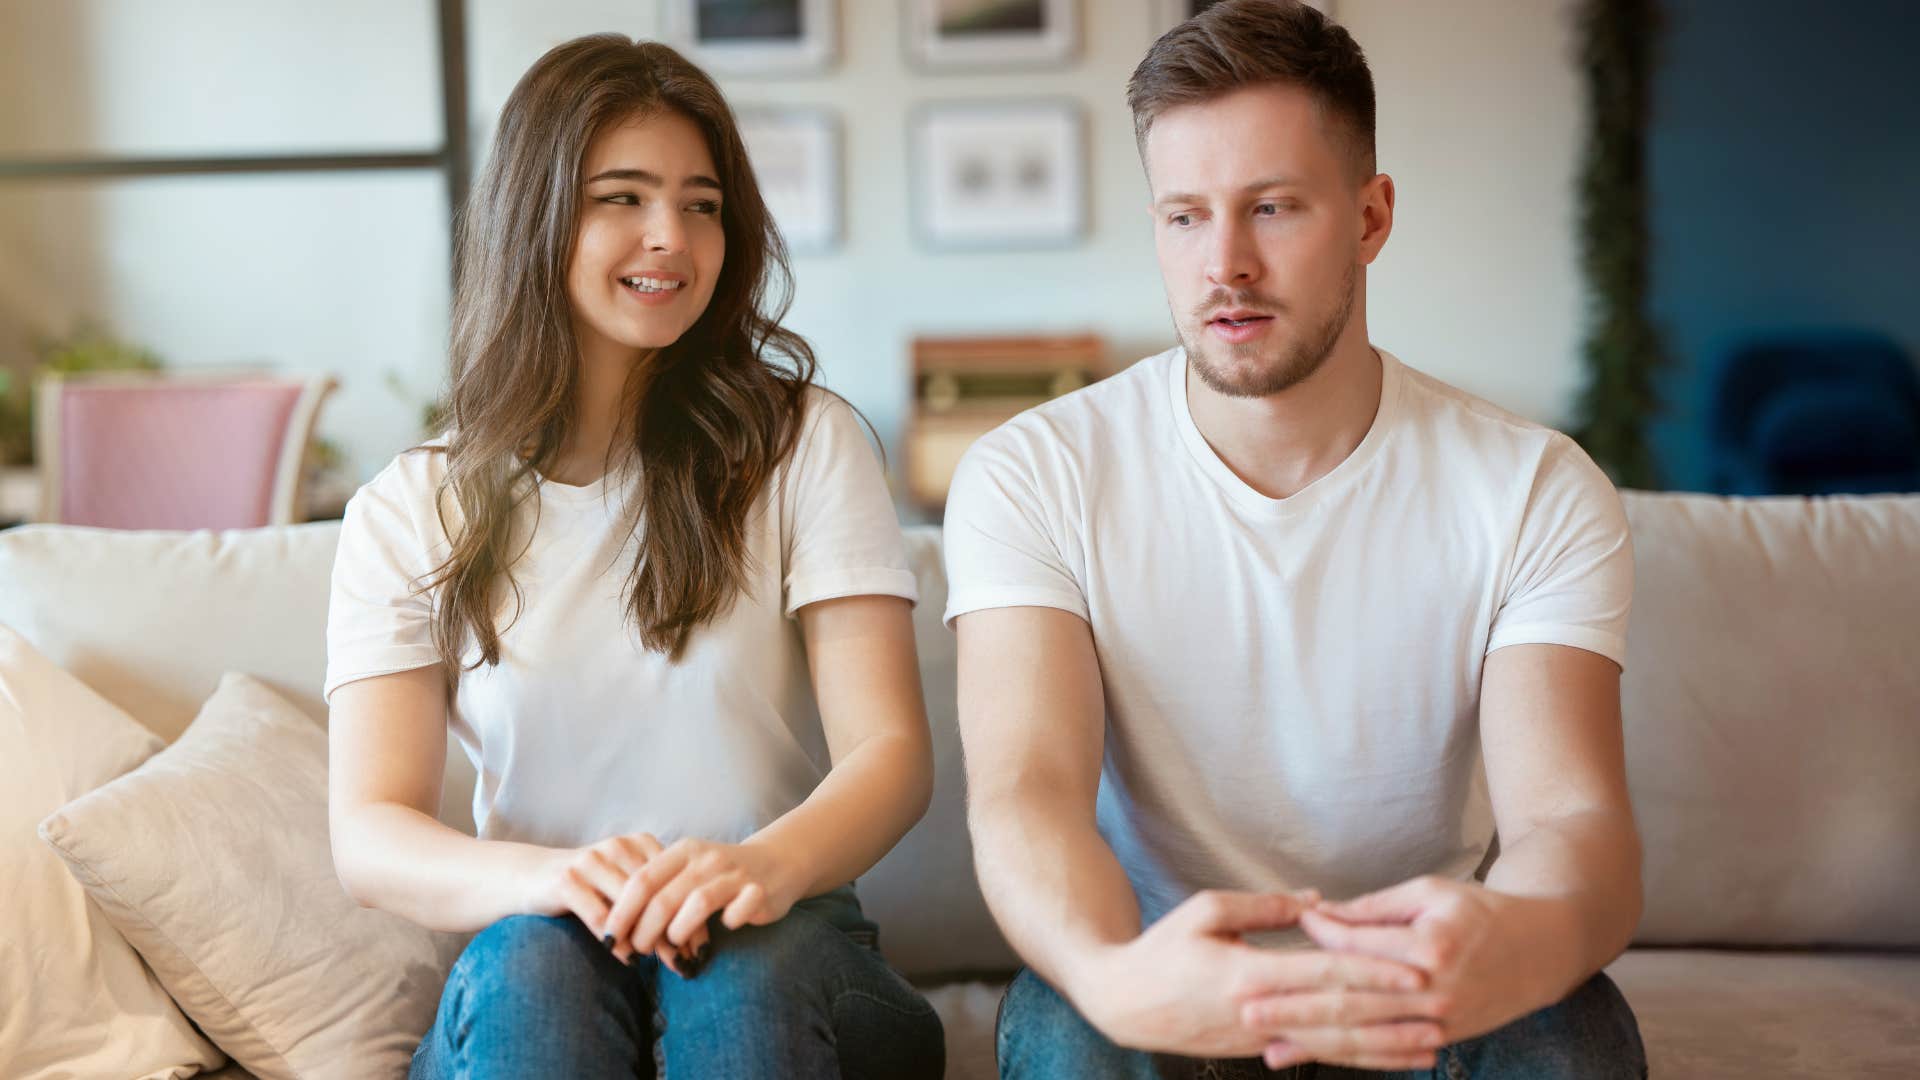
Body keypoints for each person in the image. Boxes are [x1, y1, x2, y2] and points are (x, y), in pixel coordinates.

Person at [943, 2, 1648, 1077]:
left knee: (1570, 1027)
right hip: (1170, 959)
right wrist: (1109, 973)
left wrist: (1520, 939)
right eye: (1185, 217)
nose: (1223, 263)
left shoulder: (1532, 488)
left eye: (1271, 208)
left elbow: (1571, 817)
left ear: (1370, 217)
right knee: (1069, 1024)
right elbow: (1026, 795)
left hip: (1416, 972)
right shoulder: (1032, 473)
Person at [323, 34, 944, 1080]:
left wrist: (757, 871)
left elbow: (890, 755)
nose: (671, 237)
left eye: (702, 204)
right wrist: (556, 879)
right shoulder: (409, 507)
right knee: (533, 967)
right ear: (537, 215)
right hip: (543, 959)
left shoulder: (802, 444)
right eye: (624, 197)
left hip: (793, 948)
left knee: (744, 970)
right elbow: (370, 835)